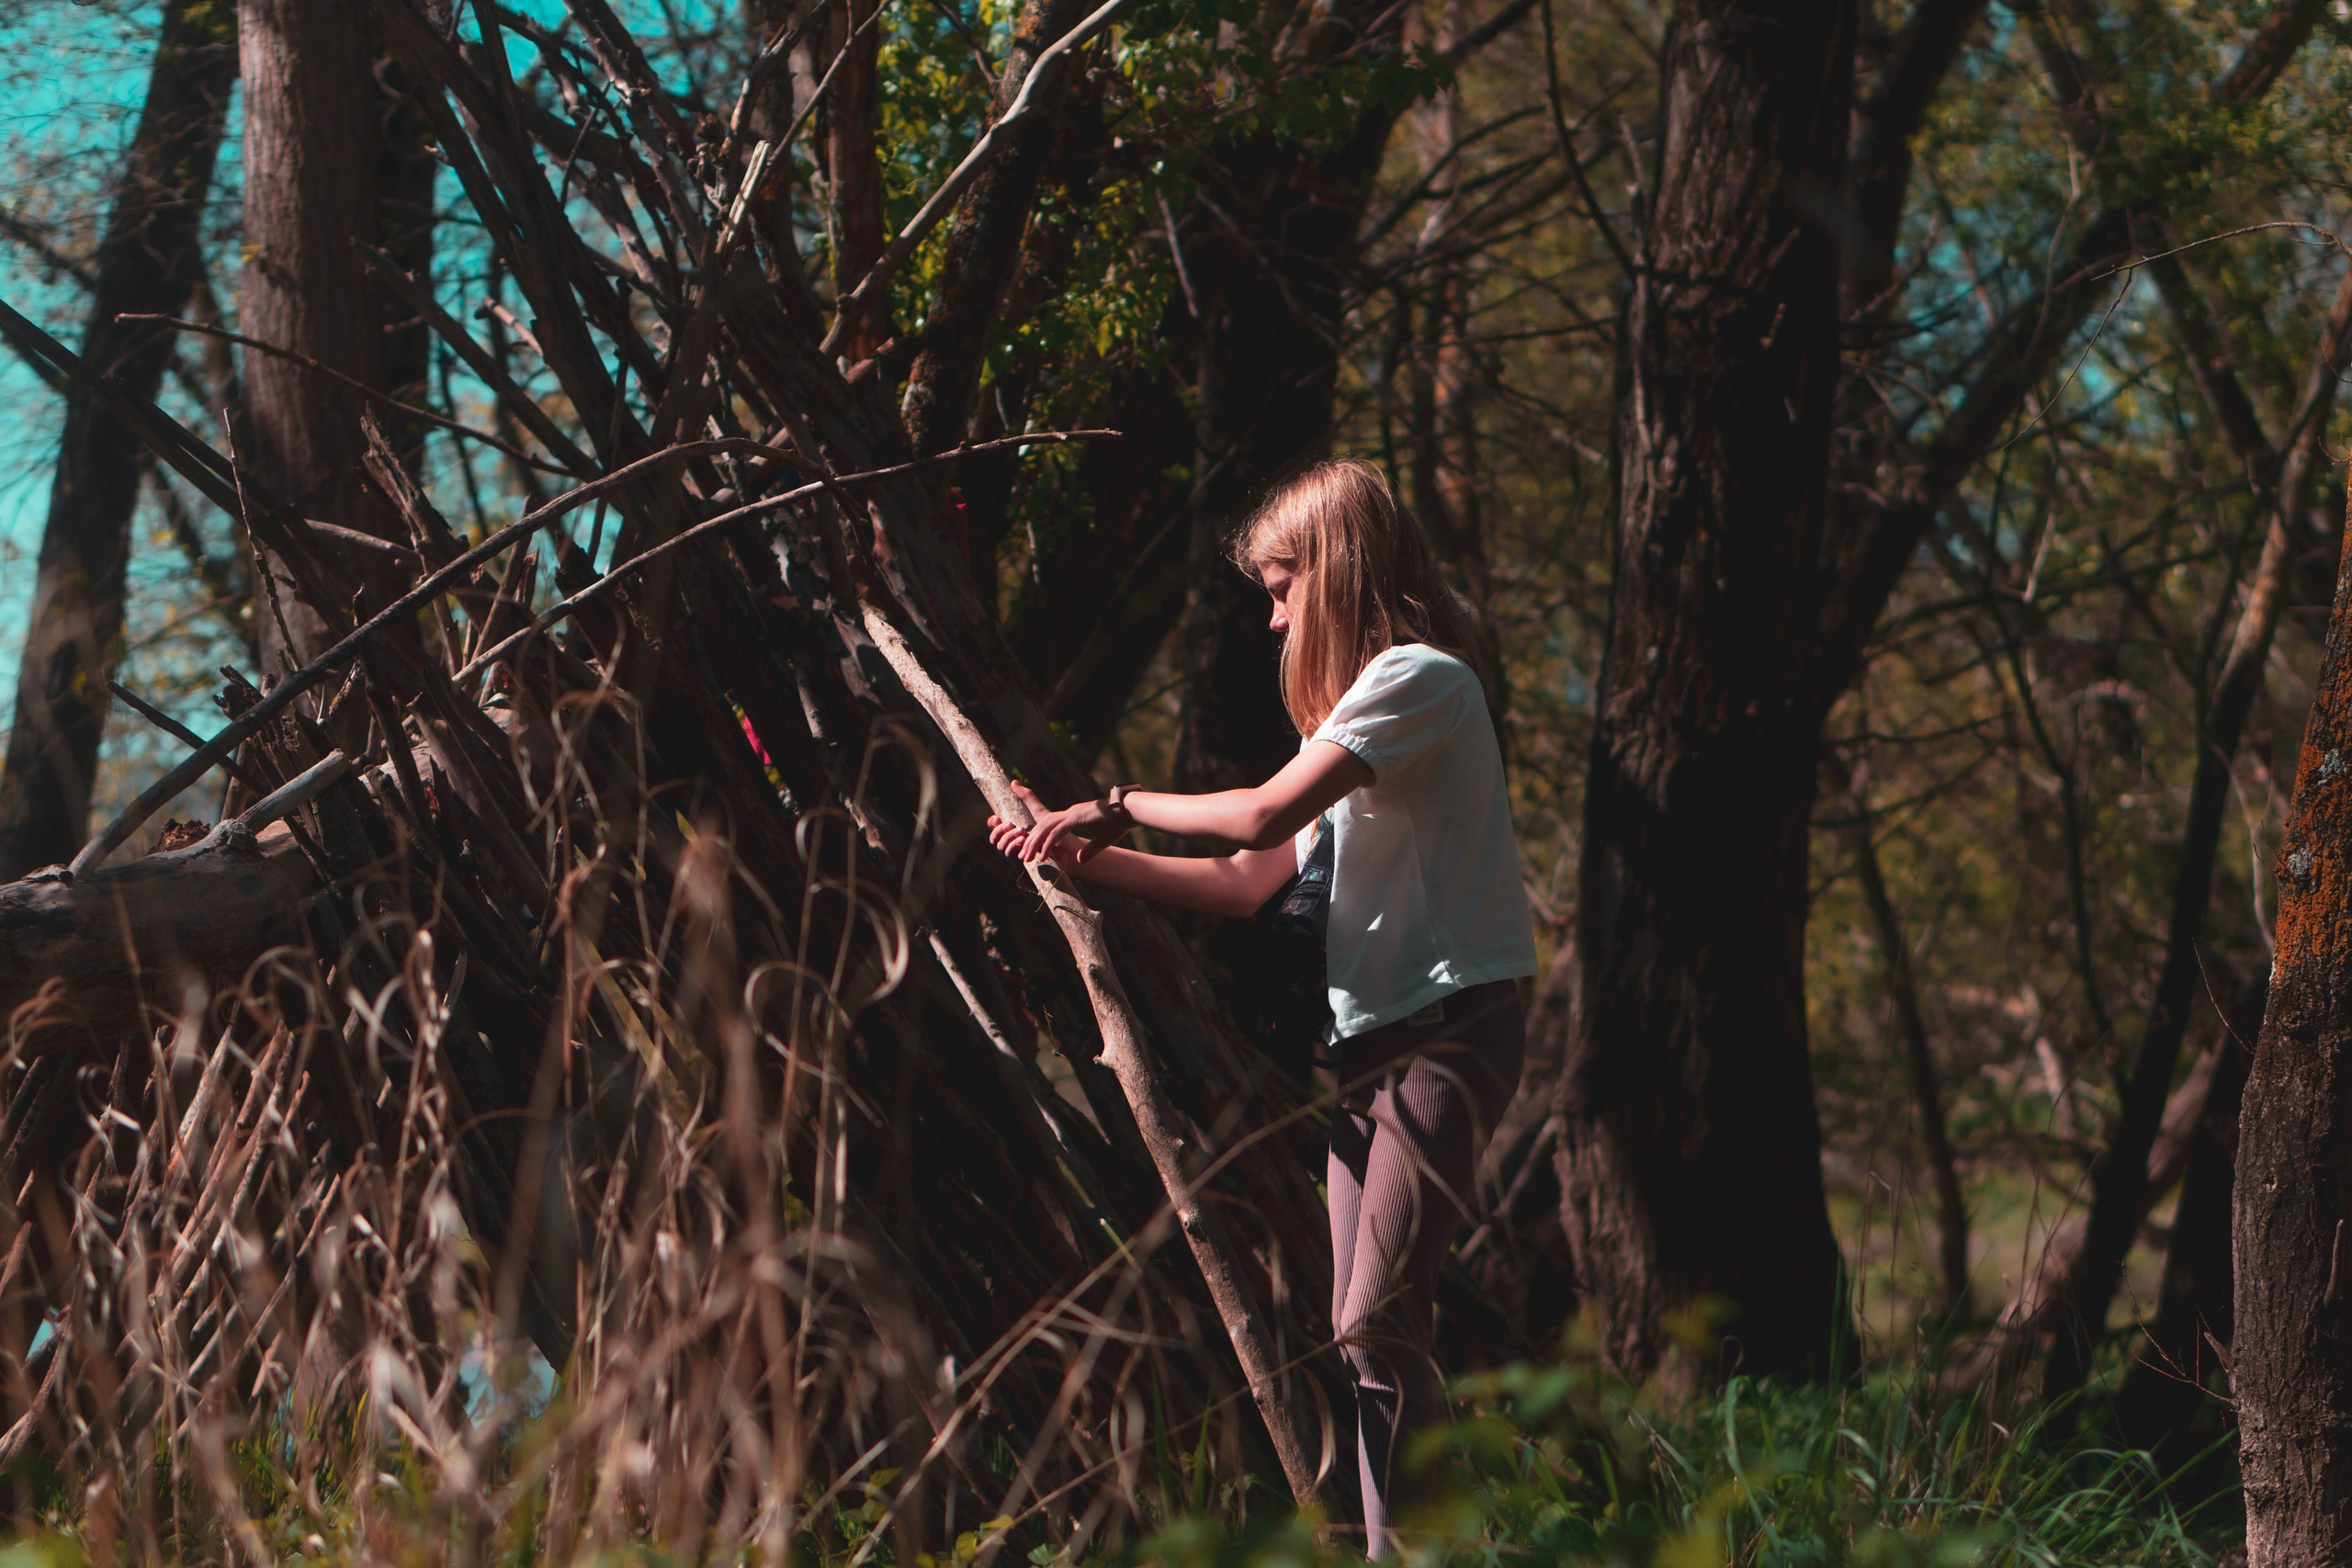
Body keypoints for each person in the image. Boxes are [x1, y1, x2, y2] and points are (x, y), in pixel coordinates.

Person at [987, 458, 1538, 1557]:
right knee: (1363, 1334)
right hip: (1371, 1048)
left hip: (1450, 1029)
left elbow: (1251, 823)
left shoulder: (1418, 682)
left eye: (1283, 586)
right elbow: (1250, 883)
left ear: (1334, 573)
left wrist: (1114, 797)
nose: (1274, 614)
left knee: (1372, 1318)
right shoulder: (1346, 726)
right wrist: (1090, 859)